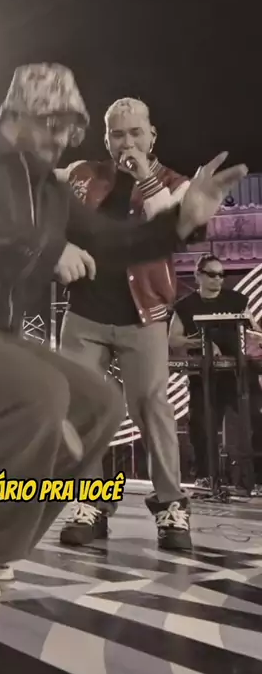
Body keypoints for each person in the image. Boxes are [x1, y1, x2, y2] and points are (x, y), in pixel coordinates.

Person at [0, 64, 246, 599]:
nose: (62, 139)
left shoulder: (48, 191)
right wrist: (44, 249)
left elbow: (116, 240)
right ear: (17, 114)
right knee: (39, 394)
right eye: (52, 124)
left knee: (98, 405)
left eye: (70, 129)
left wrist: (182, 221)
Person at [56, 97, 196, 551]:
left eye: (136, 133)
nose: (127, 142)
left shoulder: (175, 183)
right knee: (79, 407)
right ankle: (90, 503)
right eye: (118, 134)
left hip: (144, 315)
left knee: (152, 407)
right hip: (85, 314)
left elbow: (169, 226)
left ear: (152, 136)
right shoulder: (84, 175)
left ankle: (171, 505)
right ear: (106, 139)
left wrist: (145, 176)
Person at [169, 254, 262, 486]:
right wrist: (203, 343)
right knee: (201, 426)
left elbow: (254, 330)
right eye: (212, 274)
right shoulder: (185, 306)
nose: (218, 279)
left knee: (255, 421)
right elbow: (174, 339)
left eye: (222, 275)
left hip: (240, 374)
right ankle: (205, 476)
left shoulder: (237, 300)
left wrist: (255, 340)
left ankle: (256, 478)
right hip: (205, 376)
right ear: (198, 275)